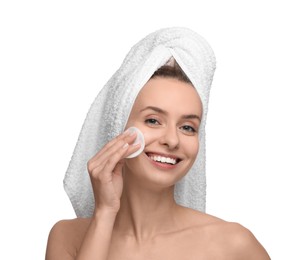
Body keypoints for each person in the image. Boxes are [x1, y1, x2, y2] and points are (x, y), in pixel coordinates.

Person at [45, 28, 270, 260]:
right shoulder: (68, 237)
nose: (172, 140)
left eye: (187, 127)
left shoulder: (233, 246)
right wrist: (104, 213)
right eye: (153, 120)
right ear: (118, 126)